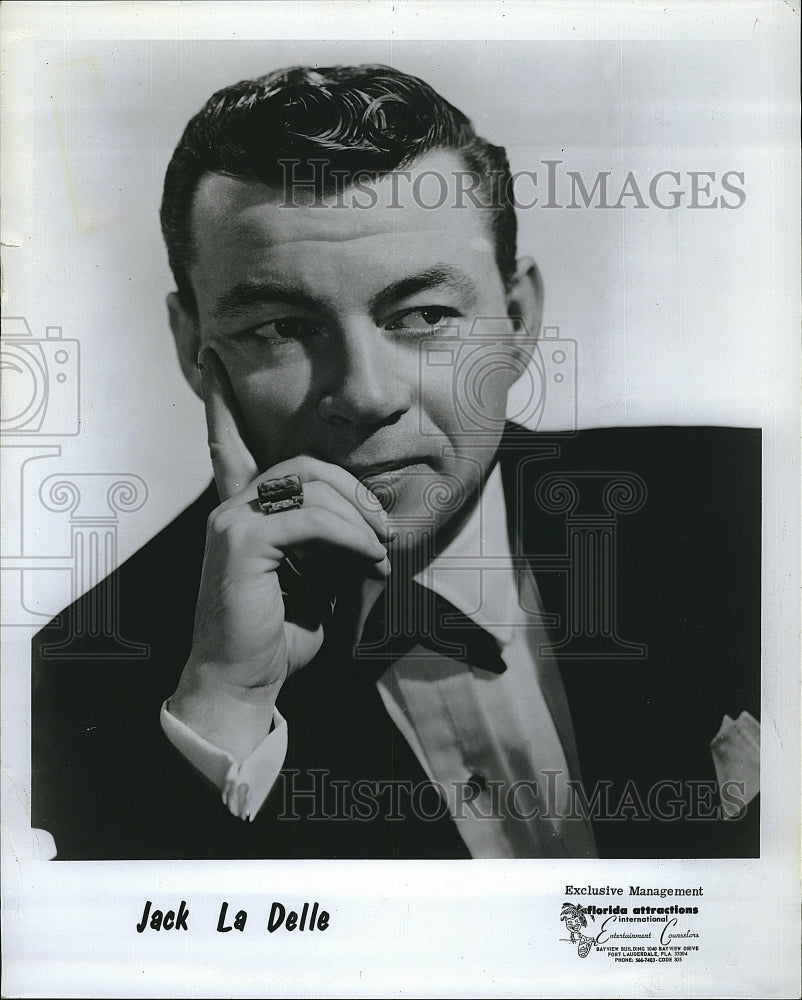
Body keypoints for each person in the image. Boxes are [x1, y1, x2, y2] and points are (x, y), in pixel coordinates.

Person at [31, 64, 760, 860]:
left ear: (516, 323)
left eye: (423, 315)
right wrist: (228, 704)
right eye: (279, 328)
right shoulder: (68, 686)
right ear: (193, 350)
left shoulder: (752, 504)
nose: (367, 394)